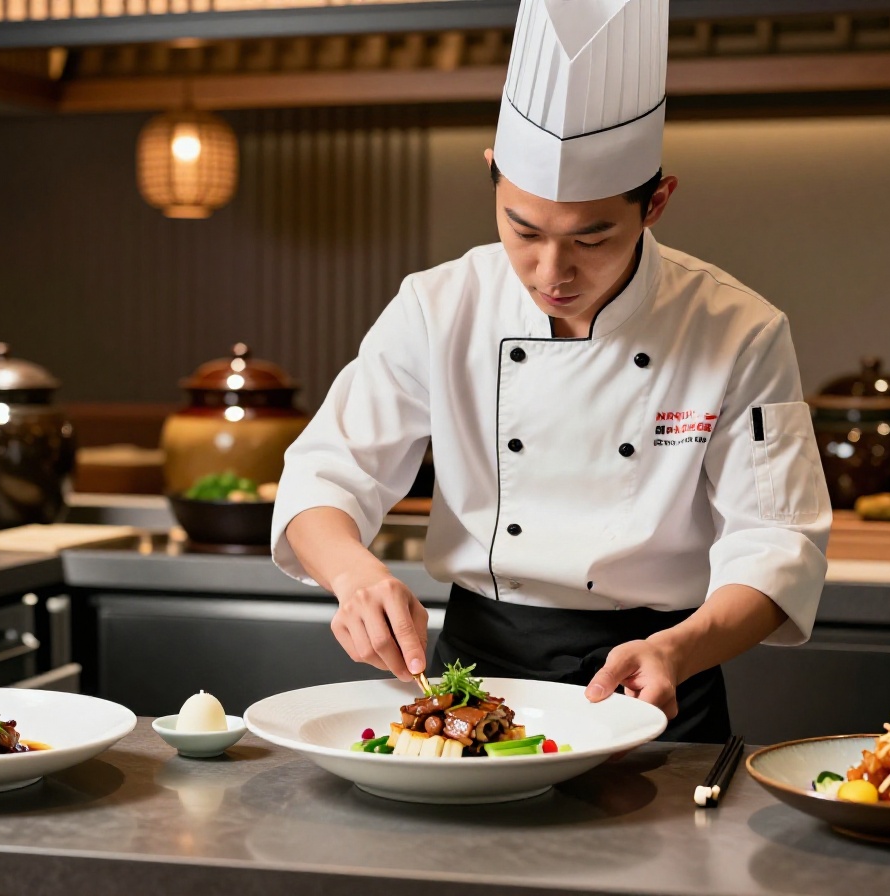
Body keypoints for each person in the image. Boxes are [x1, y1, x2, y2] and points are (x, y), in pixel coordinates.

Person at [268, 0, 830, 743]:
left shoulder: (737, 328)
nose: (551, 272)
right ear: (492, 176)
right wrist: (354, 575)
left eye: (592, 239)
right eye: (523, 230)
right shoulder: (440, 307)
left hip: (659, 679)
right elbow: (325, 474)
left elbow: (778, 542)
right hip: (472, 681)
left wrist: (679, 648)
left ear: (657, 203)